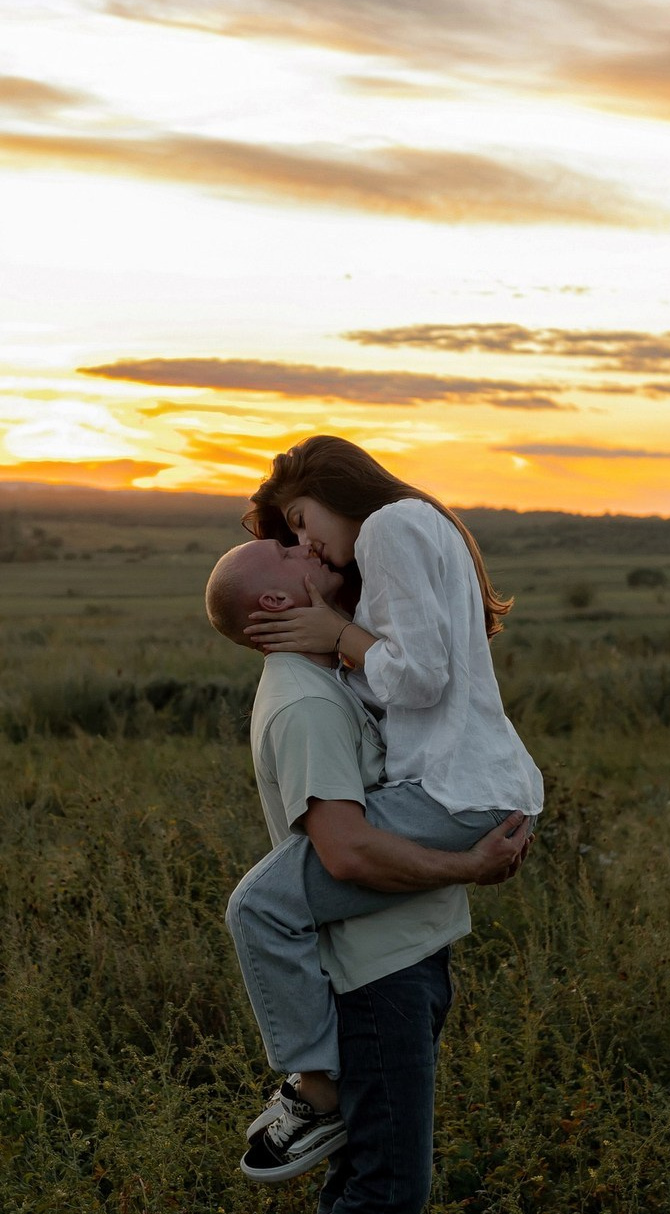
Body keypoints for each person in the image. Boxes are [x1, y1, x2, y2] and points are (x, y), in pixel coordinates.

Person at [231, 436, 544, 1180]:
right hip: (467, 784)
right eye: (295, 540)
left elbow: (421, 678)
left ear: (335, 487)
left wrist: (339, 636)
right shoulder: (412, 525)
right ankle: (317, 1091)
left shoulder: (388, 526)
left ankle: (315, 1094)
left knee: (258, 908)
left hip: (453, 789)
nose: (308, 543)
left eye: (304, 522)